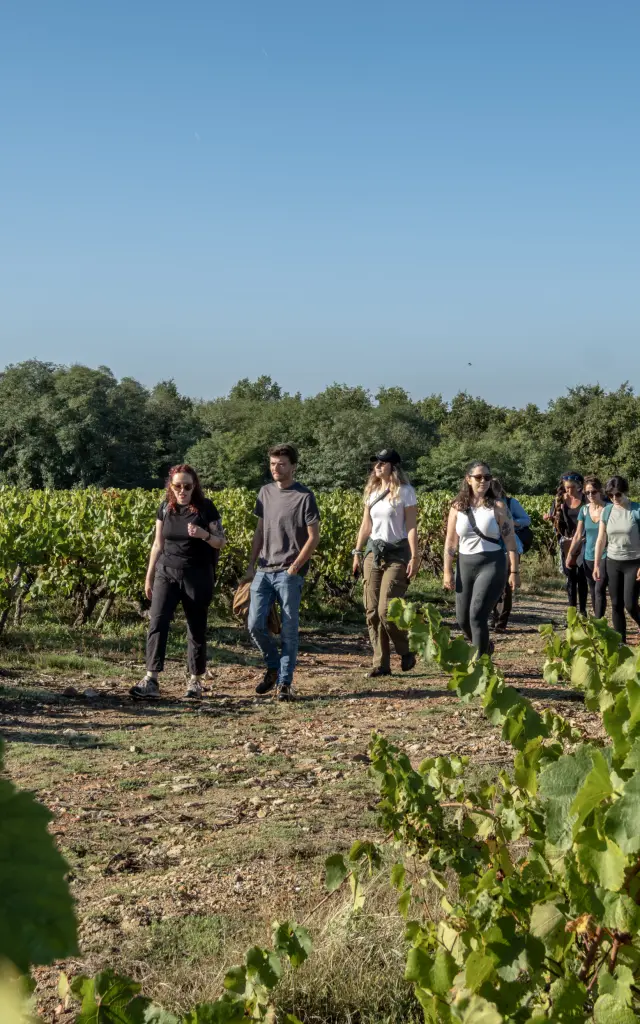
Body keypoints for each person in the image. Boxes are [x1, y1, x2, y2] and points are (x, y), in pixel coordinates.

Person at [130, 464, 226, 699]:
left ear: (195, 487)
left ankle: (195, 680)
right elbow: (157, 544)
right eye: (177, 486)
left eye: (187, 486)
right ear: (170, 487)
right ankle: (151, 679)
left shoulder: (206, 508)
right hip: (166, 572)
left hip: (197, 573)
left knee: (196, 626)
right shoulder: (165, 508)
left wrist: (204, 535)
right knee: (157, 623)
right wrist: (149, 575)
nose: (182, 490)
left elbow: (221, 541)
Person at [245, 444, 320, 701]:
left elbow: (314, 537)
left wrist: (295, 567)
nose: (276, 468)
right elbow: (259, 531)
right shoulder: (264, 493)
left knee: (289, 628)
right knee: (254, 624)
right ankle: (274, 666)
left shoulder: (304, 496)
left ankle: (285, 682)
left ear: (293, 466)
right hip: (264, 570)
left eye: (281, 464)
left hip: (289, 571)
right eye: (273, 464)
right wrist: (250, 565)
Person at [352, 449, 419, 678]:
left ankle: (405, 649)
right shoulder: (372, 491)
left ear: (393, 466)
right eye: (376, 464)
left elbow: (411, 526)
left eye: (382, 463)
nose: (377, 467)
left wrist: (415, 556)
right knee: (371, 610)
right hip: (374, 552)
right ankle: (380, 664)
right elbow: (365, 525)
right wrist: (357, 551)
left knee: (386, 609)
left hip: (398, 553)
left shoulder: (406, 492)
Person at [443, 462, 519, 655]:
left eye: (487, 477)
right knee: (462, 619)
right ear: (468, 479)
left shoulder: (498, 506)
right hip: (465, 564)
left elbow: (510, 541)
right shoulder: (457, 507)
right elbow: (451, 542)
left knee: (477, 615)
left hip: (491, 564)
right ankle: (484, 646)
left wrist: (514, 572)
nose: (483, 481)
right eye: (478, 477)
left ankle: (480, 665)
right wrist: (447, 571)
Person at [593, 476, 640, 643]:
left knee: (630, 604)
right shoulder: (607, 511)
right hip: (613, 561)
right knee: (616, 604)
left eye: (618, 495)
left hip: (634, 562)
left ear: (625, 492)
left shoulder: (636, 510)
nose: (614, 499)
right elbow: (601, 539)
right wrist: (597, 564)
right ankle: (621, 644)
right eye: (610, 496)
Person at [544, 472, 588, 615]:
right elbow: (555, 520)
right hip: (567, 541)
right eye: (567, 487)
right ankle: (572, 611)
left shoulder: (586, 500)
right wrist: (550, 518)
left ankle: (582, 611)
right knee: (570, 577)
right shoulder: (559, 501)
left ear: (580, 486)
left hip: (583, 540)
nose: (569, 491)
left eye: (572, 488)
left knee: (582, 577)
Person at [490, 478, 531, 631]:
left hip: (509, 547)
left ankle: (501, 621)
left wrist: (512, 522)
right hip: (491, 547)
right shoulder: (482, 505)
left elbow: (527, 520)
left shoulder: (510, 502)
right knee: (492, 584)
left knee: (506, 585)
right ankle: (494, 617)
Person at [566, 476, 608, 618]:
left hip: (606, 555)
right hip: (588, 555)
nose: (590, 495)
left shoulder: (609, 509)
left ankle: (599, 623)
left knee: (600, 589)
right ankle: (598, 623)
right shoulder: (584, 510)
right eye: (587, 492)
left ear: (600, 491)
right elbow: (578, 535)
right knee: (593, 590)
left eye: (593, 492)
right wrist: (570, 555)